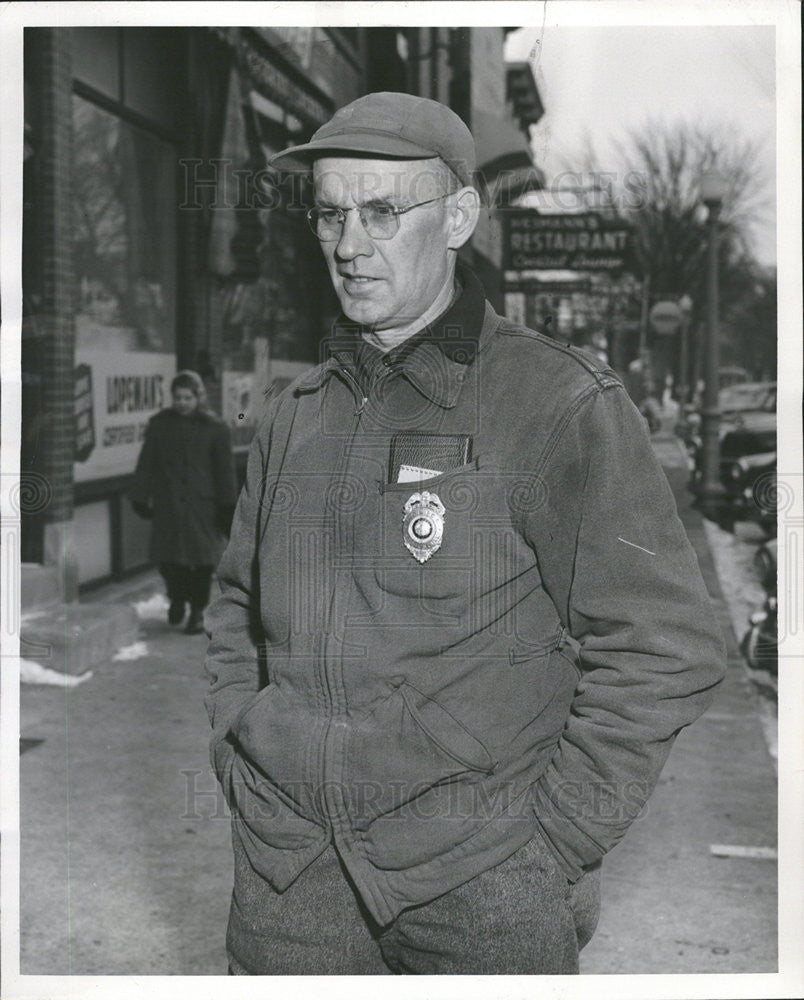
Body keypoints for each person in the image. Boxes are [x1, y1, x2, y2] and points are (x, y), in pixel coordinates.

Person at [204, 92, 726, 975]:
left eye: (380, 212)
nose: (347, 244)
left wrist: (551, 845)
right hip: (289, 880)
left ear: (456, 217)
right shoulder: (298, 413)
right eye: (330, 213)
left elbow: (664, 645)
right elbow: (234, 608)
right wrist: (241, 754)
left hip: (481, 885)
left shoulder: (559, 403)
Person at [131, 370, 237, 635]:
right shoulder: (159, 425)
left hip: (202, 507)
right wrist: (140, 496)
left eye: (187, 397)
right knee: (168, 561)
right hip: (168, 505)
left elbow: (225, 471)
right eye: (177, 397)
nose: (182, 403)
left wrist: (227, 506)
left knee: (201, 563)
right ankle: (177, 598)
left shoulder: (215, 428)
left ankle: (197, 612)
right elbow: (146, 463)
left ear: (198, 397)